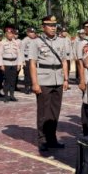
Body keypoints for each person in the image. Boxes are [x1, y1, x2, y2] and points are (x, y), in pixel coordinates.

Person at [30, 15, 71, 152]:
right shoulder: (36, 42)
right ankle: (42, 140)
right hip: (43, 79)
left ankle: (52, 139)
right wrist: (35, 83)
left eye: (54, 26)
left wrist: (66, 79)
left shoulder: (62, 41)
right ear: (43, 27)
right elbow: (32, 63)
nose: (53, 28)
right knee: (43, 112)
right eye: (50, 25)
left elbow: (64, 61)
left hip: (58, 78)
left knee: (55, 111)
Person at [0, 27, 22, 102]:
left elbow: (19, 54)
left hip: (14, 63)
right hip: (6, 63)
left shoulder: (16, 43)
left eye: (11, 33)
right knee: (7, 81)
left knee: (13, 80)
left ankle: (12, 95)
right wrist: (1, 65)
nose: (10, 35)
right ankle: (6, 96)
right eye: (8, 33)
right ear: (6, 34)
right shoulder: (2, 43)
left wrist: (19, 64)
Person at [21, 27, 38, 94]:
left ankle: (32, 87)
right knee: (27, 75)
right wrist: (23, 61)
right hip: (27, 59)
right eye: (31, 32)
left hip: (34, 60)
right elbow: (21, 51)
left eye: (33, 32)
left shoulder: (36, 40)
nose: (32, 34)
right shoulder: (25, 40)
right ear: (27, 33)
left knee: (34, 74)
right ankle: (27, 88)